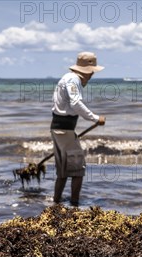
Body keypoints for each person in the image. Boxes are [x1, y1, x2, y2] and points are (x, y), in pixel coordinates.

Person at [50, 52, 106, 206]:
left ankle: (56, 203)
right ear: (88, 71)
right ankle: (75, 205)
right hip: (64, 131)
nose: (92, 75)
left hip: (58, 129)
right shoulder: (73, 80)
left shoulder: (67, 78)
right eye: (92, 72)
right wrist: (95, 118)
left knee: (63, 172)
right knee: (78, 170)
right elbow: (76, 103)